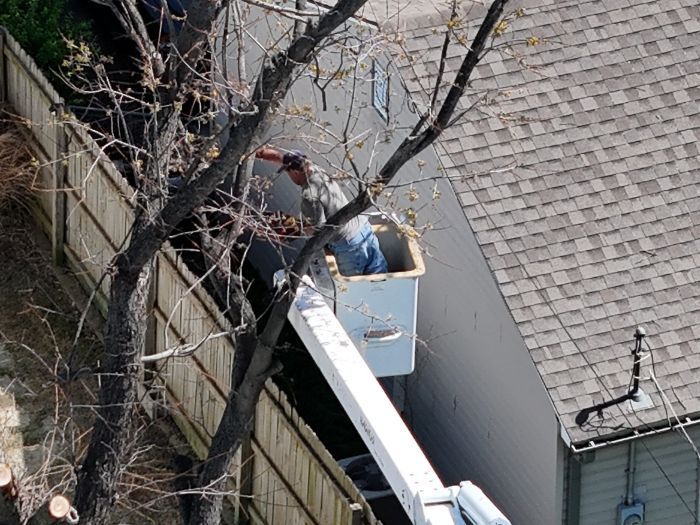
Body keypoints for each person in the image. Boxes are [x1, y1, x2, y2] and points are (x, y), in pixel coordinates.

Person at [255, 147, 388, 276]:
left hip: (349, 247)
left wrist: (292, 230)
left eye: (288, 172)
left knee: (357, 290)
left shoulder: (309, 195)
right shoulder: (317, 170)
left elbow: (317, 229)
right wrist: (259, 154)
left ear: (295, 172)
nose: (288, 175)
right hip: (364, 231)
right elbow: (281, 158)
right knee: (382, 278)